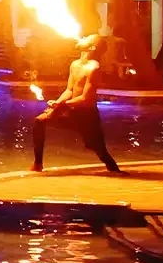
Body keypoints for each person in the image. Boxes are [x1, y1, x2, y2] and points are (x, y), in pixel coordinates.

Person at [32, 34, 121, 173]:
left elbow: (86, 98)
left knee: (99, 150)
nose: (83, 37)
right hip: (71, 110)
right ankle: (37, 165)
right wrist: (58, 102)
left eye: (87, 38)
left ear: (92, 47)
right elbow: (69, 89)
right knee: (39, 121)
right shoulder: (74, 64)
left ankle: (117, 173)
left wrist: (62, 105)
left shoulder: (94, 68)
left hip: (87, 116)